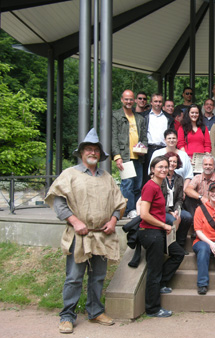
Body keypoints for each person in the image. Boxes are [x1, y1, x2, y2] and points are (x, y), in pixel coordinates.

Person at [45, 129, 127, 334]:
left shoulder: (107, 177)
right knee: (74, 276)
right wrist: (74, 221)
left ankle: (95, 311)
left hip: (102, 235)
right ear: (81, 153)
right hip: (79, 235)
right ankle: (67, 316)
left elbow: (119, 203)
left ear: (100, 155)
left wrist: (114, 220)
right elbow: (58, 202)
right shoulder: (69, 175)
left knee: (98, 275)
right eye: (88, 149)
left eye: (96, 150)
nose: (92, 153)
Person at [138, 156, 185, 318]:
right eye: (160, 167)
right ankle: (152, 308)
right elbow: (144, 214)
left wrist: (168, 213)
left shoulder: (159, 186)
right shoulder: (150, 186)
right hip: (151, 233)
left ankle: (162, 282)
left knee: (178, 253)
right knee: (154, 271)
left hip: (158, 231)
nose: (164, 169)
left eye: (166, 167)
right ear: (152, 169)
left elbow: (156, 209)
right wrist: (164, 225)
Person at [112, 89, 147, 217]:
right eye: (126, 99)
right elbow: (113, 137)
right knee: (127, 184)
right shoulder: (116, 116)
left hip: (138, 157)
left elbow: (144, 137)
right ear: (122, 99)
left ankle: (136, 209)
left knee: (137, 185)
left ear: (135, 101)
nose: (129, 102)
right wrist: (117, 156)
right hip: (125, 156)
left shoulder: (139, 118)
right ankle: (128, 210)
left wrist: (144, 148)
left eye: (131, 99)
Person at [161, 152, 194, 253]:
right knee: (171, 220)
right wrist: (170, 211)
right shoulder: (160, 177)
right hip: (162, 209)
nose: (172, 163)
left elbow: (180, 198)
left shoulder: (179, 179)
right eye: (170, 161)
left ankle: (180, 245)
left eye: (174, 161)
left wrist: (176, 209)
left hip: (175, 208)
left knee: (187, 217)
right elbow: (158, 200)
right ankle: (170, 247)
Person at [143, 93, 174, 186]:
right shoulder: (144, 116)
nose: (158, 103)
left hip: (163, 149)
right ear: (151, 102)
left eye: (160, 102)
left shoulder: (168, 118)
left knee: (164, 174)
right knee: (148, 175)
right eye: (155, 101)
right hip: (149, 149)